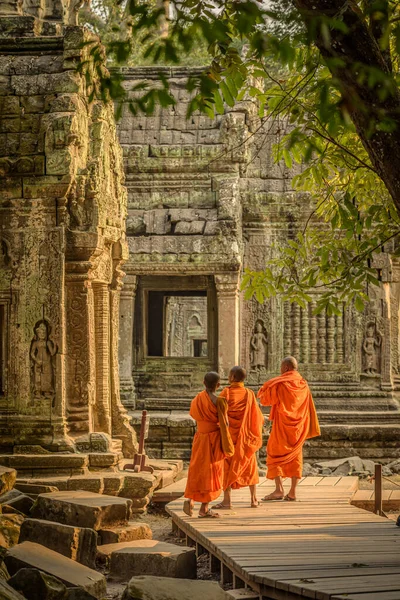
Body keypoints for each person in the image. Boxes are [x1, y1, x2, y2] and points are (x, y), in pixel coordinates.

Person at [258, 356, 320, 501]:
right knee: (296, 458)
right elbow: (308, 407)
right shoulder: (304, 385)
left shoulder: (281, 384)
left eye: (281, 367)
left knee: (273, 454)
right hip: (298, 428)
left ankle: (279, 489)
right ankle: (292, 492)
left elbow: (266, 400)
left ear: (285, 368)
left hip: (282, 427)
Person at [183, 371, 233, 518]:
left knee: (197, 469)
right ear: (218, 385)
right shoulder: (220, 401)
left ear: (203, 383)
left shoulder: (197, 399)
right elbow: (225, 423)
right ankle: (204, 508)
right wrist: (228, 444)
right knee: (211, 472)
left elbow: (193, 415)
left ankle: (191, 499)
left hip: (200, 438)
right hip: (214, 440)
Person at [213, 366, 264, 509]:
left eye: (229, 375)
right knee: (250, 465)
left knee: (227, 467)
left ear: (233, 377)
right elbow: (258, 417)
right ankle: (254, 499)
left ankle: (227, 500)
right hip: (246, 439)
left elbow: (219, 415)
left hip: (229, 438)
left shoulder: (226, 393)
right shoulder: (249, 394)